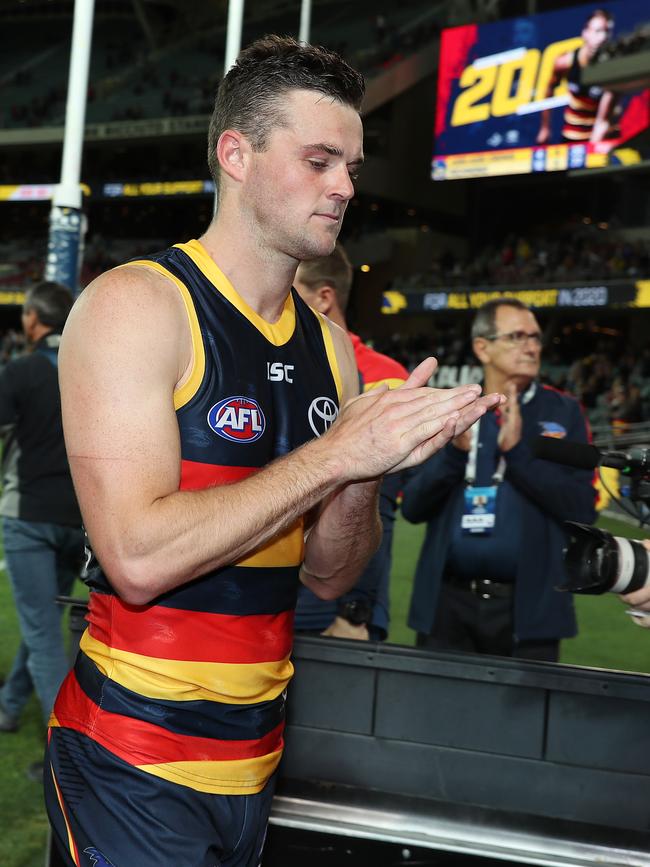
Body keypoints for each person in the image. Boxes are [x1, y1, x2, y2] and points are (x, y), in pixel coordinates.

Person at [44, 36, 503, 867]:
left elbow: (329, 571)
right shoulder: (136, 306)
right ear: (237, 154)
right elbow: (137, 555)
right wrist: (332, 455)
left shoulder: (330, 347)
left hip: (254, 757)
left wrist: (364, 468)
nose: (343, 188)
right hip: (129, 756)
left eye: (353, 168)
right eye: (320, 160)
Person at [402, 298, 597, 663]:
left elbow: (582, 509)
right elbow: (412, 506)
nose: (532, 346)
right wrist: (455, 454)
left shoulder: (563, 412)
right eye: (517, 336)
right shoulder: (449, 407)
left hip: (530, 609)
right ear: (482, 347)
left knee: (523, 719)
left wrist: (519, 454)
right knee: (438, 716)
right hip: (447, 605)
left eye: (537, 338)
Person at [293, 242, 409, 641]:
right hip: (263, 598)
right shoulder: (275, 359)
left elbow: (380, 509)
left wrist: (355, 613)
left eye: (288, 288)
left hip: (333, 608)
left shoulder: (383, 379)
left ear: (324, 296)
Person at [0, 281, 84, 735]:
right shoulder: (89, 368)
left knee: (41, 631)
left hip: (30, 516)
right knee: (43, 618)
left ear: (32, 318)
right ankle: (9, 704)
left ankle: (62, 745)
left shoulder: (22, 370)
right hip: (81, 517)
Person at [536, 8, 616, 145]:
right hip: (572, 135)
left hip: (601, 136)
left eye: (606, 32)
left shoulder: (615, 66)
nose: (602, 38)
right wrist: (545, 128)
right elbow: (549, 90)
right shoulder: (564, 63)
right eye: (597, 31)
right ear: (585, 33)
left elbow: (605, 116)